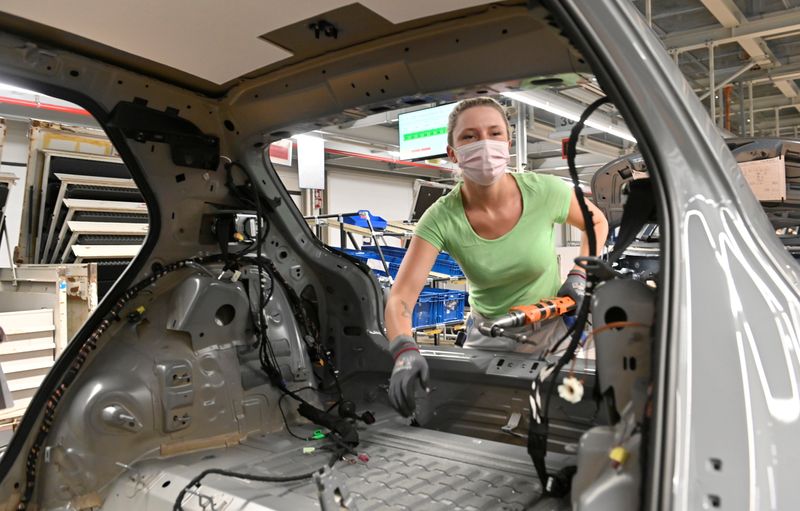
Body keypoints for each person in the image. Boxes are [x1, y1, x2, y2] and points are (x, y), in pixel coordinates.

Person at [384, 97, 609, 417]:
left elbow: (596, 220)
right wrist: (404, 349)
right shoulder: (440, 218)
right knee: (472, 416)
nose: (484, 144)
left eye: (494, 133)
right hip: (491, 333)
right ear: (453, 153)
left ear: (508, 142)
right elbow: (401, 297)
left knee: (571, 412)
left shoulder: (545, 191)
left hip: (553, 326)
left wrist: (579, 274)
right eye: (469, 136)